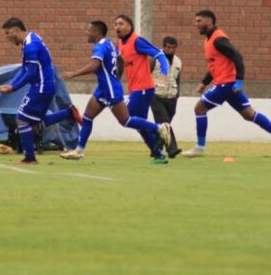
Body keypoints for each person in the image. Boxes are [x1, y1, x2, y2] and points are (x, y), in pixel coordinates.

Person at [60, 21, 172, 164]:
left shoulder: (100, 46)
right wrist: (117, 78)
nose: (87, 33)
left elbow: (95, 65)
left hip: (111, 89)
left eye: (89, 30)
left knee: (126, 121)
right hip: (103, 88)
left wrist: (72, 74)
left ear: (97, 32)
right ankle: (78, 150)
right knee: (87, 117)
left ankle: (160, 128)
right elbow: (121, 60)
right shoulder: (109, 43)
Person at [182, 9, 271, 158]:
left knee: (199, 109)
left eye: (199, 21)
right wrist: (204, 82)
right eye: (195, 21)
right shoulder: (209, 40)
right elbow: (215, 65)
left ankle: (200, 147)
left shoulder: (219, 40)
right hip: (228, 84)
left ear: (209, 21)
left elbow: (237, 57)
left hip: (226, 84)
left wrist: (240, 79)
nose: (196, 24)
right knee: (249, 114)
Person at [0, 17, 82, 164]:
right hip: (46, 87)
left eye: (8, 33)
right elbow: (24, 69)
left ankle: (30, 158)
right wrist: (11, 84)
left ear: (16, 30)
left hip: (41, 88)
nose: (7, 38)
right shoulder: (32, 38)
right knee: (36, 124)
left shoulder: (30, 47)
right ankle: (68, 113)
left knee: (21, 120)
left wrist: (13, 88)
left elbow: (30, 73)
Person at [114, 14, 179, 158]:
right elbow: (120, 64)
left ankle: (160, 128)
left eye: (121, 24)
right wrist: (115, 78)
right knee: (139, 125)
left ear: (129, 27)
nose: (118, 26)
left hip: (143, 88)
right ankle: (158, 155)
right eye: (116, 24)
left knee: (125, 118)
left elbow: (159, 54)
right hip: (135, 89)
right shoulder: (119, 44)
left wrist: (164, 70)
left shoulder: (137, 41)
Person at [150, 36, 182, 156]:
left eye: (173, 48)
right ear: (163, 47)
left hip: (171, 98)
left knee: (162, 126)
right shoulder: (155, 59)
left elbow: (177, 79)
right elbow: (147, 75)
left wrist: (177, 94)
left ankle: (155, 150)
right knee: (165, 124)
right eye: (168, 47)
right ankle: (172, 149)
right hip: (157, 95)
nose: (170, 50)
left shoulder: (178, 61)